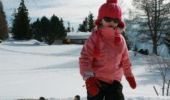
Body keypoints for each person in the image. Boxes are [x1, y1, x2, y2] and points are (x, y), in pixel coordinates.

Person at [79, 0, 137, 100]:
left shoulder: (121, 40)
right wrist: (89, 79)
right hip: (96, 80)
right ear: (101, 20)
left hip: (114, 81)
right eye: (108, 19)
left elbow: (125, 60)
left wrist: (129, 75)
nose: (112, 23)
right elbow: (85, 59)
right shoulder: (94, 38)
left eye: (115, 21)